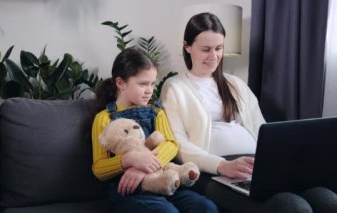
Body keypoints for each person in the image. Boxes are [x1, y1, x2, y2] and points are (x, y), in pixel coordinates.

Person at [160, 12, 337, 213]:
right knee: (292, 207)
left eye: (219, 48)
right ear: (187, 46)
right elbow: (178, 145)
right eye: (206, 49)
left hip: (258, 167)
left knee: (327, 199)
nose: (214, 56)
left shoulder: (235, 84)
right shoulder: (175, 87)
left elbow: (263, 129)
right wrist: (221, 165)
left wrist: (276, 162)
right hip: (214, 172)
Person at [91, 46, 219, 213]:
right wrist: (129, 160)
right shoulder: (104, 118)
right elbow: (99, 168)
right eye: (143, 84)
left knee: (206, 208)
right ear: (120, 83)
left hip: (163, 180)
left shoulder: (156, 112)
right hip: (128, 190)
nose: (149, 90)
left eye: (152, 83)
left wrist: (143, 167)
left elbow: (171, 145)